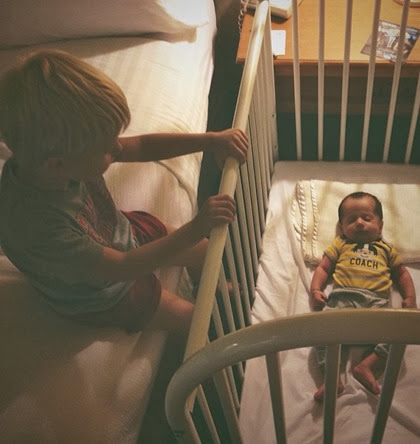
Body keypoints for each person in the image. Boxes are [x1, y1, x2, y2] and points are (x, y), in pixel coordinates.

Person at [0, 49, 249, 338]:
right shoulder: (40, 227)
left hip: (115, 230)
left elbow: (142, 146)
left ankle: (207, 288)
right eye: (107, 149)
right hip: (100, 291)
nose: (117, 149)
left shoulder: (63, 159)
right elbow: (123, 268)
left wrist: (211, 140)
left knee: (205, 249)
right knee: (197, 321)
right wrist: (195, 227)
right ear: (57, 165)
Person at [310, 191, 417, 402]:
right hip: (342, 300)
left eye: (367, 218)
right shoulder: (341, 244)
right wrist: (315, 289)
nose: (359, 223)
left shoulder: (386, 249)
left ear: (380, 225)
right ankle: (332, 378)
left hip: (376, 305)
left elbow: (402, 274)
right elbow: (323, 267)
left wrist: (410, 298)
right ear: (342, 227)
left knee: (398, 334)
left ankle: (367, 365)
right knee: (320, 332)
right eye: (351, 220)